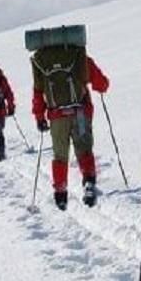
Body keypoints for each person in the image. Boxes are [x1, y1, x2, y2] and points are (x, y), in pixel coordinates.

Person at [31, 51, 109, 210]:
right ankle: (88, 182)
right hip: (80, 112)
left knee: (60, 154)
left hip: (57, 115)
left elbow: (38, 92)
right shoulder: (79, 56)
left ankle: (60, 193)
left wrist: (40, 117)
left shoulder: (41, 61)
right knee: (84, 149)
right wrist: (101, 86)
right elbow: (101, 84)